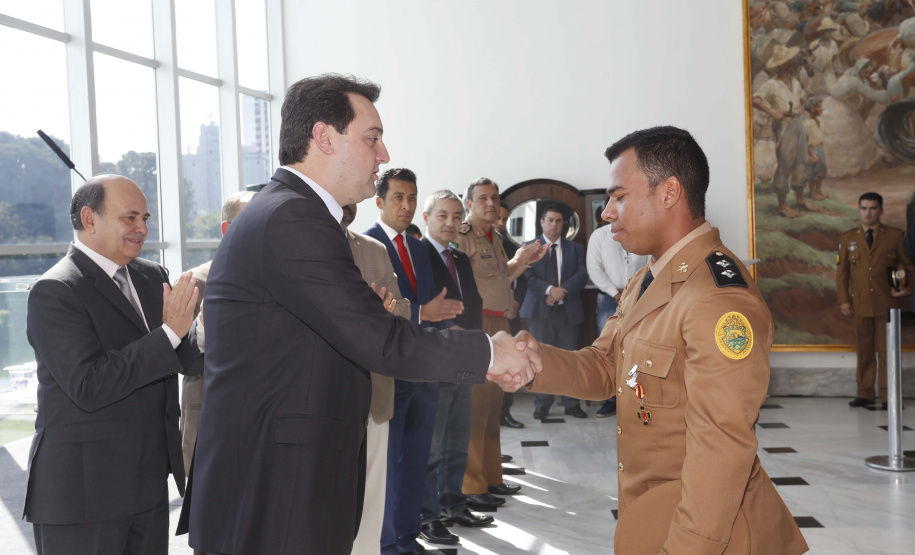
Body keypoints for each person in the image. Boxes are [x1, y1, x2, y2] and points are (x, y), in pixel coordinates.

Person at [178, 74, 541, 555]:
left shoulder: (295, 213)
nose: (384, 154)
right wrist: (488, 353)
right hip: (273, 488)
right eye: (372, 138)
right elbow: (379, 341)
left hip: (281, 477)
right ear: (324, 138)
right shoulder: (292, 218)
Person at [511, 126, 809, 554]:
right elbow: (606, 366)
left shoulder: (717, 298)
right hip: (654, 517)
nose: (608, 212)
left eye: (619, 196)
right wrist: (534, 363)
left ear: (669, 193)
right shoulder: (647, 279)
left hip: (706, 534)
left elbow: (722, 449)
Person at [24, 175, 201, 555]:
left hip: (149, 487)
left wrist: (203, 329)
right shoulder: (54, 291)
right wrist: (170, 332)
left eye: (146, 218)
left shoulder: (153, 277)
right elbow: (90, 385)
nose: (142, 228)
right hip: (83, 496)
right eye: (130, 218)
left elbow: (184, 357)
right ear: (89, 218)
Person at [364, 168, 462, 555]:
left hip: (423, 368)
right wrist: (423, 313)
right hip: (388, 371)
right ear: (380, 202)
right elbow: (373, 313)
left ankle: (407, 536)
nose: (405, 206)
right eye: (397, 198)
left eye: (411, 198)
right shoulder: (365, 244)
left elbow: (435, 305)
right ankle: (387, 543)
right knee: (388, 463)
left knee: (418, 457)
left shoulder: (419, 248)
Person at [455, 177, 548, 511]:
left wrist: (522, 261)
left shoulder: (493, 236)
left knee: (494, 407)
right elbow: (460, 281)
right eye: (483, 198)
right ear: (469, 204)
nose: (491, 204)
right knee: (476, 409)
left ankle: (491, 478)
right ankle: (471, 487)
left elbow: (499, 277)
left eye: (494, 198)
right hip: (478, 326)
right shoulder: (463, 237)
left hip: (499, 323)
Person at [419, 190, 493, 546]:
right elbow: (417, 305)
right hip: (435, 359)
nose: (449, 223)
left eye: (455, 216)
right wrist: (450, 334)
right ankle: (428, 516)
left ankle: (454, 505)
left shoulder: (460, 257)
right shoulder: (417, 255)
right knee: (433, 446)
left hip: (464, 357)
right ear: (427, 217)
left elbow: (473, 303)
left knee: (458, 439)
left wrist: (474, 341)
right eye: (442, 216)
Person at [342, 202, 412, 555]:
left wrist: (383, 311)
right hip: (322, 402)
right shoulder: (301, 243)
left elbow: (403, 308)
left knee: (370, 500)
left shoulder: (372, 249)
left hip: (375, 395)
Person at [180, 191, 256, 477]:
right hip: (211, 430)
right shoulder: (193, 283)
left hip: (265, 431)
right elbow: (181, 360)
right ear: (227, 229)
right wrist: (203, 328)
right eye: (252, 220)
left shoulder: (285, 282)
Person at [837, 192, 913, 409]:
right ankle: (865, 393)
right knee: (864, 350)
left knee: (889, 352)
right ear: (859, 210)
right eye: (864, 208)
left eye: (872, 208)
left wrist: (906, 287)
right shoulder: (848, 238)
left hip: (887, 304)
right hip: (858, 304)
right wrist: (844, 300)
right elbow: (842, 273)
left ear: (881, 210)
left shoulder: (896, 236)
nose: (868, 212)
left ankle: (890, 396)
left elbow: (907, 266)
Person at [520, 204, 589, 419]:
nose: (554, 225)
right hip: (540, 312)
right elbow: (527, 277)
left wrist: (561, 292)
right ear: (542, 222)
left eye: (558, 221)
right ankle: (542, 404)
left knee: (568, 358)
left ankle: (571, 403)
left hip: (567, 311)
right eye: (550, 220)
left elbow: (582, 275)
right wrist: (550, 290)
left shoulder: (574, 248)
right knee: (540, 359)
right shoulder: (529, 247)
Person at [585, 204, 650, 417]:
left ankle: (635, 397)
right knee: (609, 351)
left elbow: (651, 263)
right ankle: (611, 400)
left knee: (639, 348)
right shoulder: (599, 236)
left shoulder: (641, 232)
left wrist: (637, 290)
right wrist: (615, 292)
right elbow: (594, 268)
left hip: (641, 299)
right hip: (609, 301)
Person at [753, 45, 810, 217]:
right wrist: (772, 112)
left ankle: (800, 199)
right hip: (784, 124)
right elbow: (755, 99)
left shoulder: (795, 83)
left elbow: (802, 101)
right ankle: (783, 205)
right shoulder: (772, 85)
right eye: (789, 61)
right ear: (782, 64)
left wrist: (805, 120)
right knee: (785, 162)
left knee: (802, 160)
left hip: (798, 121)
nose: (792, 63)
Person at [493, 202, 527, 429]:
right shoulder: (470, 241)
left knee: (510, 364)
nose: (501, 223)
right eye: (499, 218)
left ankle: (505, 412)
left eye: (505, 219)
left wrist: (515, 304)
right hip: (488, 315)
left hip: (509, 314)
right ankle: (492, 416)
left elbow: (522, 280)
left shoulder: (509, 245)